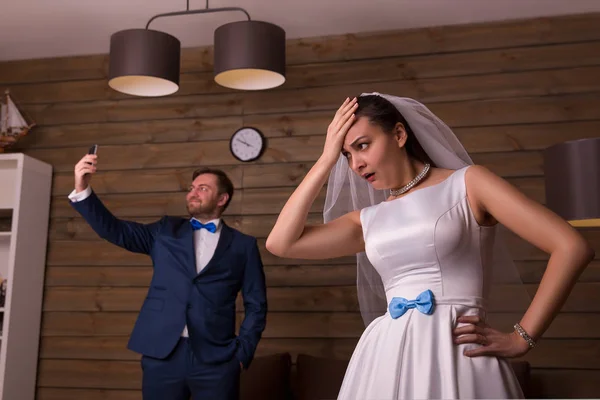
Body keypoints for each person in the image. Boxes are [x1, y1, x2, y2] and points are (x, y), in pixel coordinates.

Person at [266, 93, 595, 399]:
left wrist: (522, 337)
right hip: (386, 357)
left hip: (458, 353)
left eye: (363, 146)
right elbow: (281, 243)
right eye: (347, 155)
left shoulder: (469, 183)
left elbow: (571, 246)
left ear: (398, 135)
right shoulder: (366, 220)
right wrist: (325, 159)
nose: (356, 165)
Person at [69, 156, 267, 400]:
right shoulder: (165, 231)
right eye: (191, 188)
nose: (193, 193)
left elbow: (256, 305)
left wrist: (241, 355)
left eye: (202, 188)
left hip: (217, 358)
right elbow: (115, 230)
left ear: (222, 199)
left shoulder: (243, 246)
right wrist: (82, 189)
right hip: (162, 353)